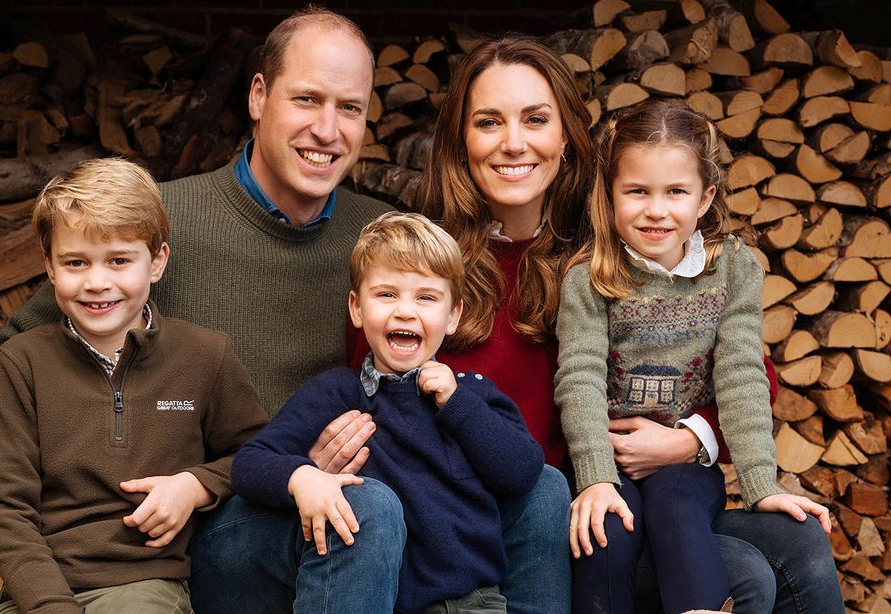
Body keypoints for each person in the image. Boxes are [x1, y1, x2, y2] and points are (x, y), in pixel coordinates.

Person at [0, 9, 571, 614]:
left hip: (357, 507)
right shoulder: (162, 225)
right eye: (306, 100)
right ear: (259, 96)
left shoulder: (375, 237)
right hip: (217, 523)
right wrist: (26, 509)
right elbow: (32, 347)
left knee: (540, 488)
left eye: (348, 108)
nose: (327, 129)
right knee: (364, 506)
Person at [402, 35, 842, 613]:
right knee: (749, 578)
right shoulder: (425, 264)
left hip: (642, 486)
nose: (514, 143)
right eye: (488, 121)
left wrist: (687, 440)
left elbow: (746, 369)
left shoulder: (618, 244)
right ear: (461, 139)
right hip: (533, 514)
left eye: (536, 119)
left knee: (803, 544)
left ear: (565, 139)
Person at [555, 100, 832, 614]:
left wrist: (760, 485)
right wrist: (594, 477)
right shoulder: (589, 278)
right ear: (609, 195)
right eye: (637, 191)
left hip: (683, 467)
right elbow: (580, 377)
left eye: (675, 192)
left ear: (704, 198)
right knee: (604, 533)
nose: (656, 209)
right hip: (607, 456)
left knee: (677, 510)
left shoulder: (733, 271)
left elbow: (743, 375)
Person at [0, 158, 269, 614]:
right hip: (35, 592)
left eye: (118, 260)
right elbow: (2, 506)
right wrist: (50, 604)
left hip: (142, 585)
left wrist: (195, 484)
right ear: (49, 268)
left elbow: (255, 454)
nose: (97, 282)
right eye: (75, 262)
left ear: (157, 261)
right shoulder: (21, 363)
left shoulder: (205, 356)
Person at [233, 211, 544, 614]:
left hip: (473, 602)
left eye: (426, 298)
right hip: (379, 597)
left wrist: (459, 406)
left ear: (453, 317)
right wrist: (302, 477)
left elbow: (523, 472)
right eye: (386, 294)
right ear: (356, 308)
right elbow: (250, 464)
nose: (405, 312)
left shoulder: (472, 395)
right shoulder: (337, 393)